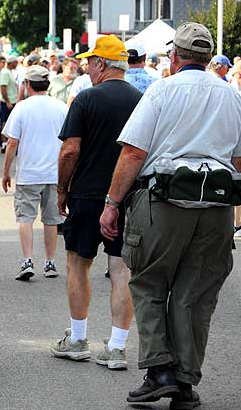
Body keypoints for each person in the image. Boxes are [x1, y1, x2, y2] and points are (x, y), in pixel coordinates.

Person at [99, 22, 241, 408]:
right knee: (196, 293)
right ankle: (185, 380)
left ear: (175, 56)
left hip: (163, 201)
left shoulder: (163, 90)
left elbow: (133, 152)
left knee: (148, 281)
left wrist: (112, 204)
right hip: (215, 207)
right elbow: (239, 159)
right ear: (209, 58)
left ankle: (159, 370)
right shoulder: (230, 95)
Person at [51, 35, 141, 369]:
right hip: (128, 196)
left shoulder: (86, 98)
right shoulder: (142, 99)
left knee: (78, 264)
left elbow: (70, 149)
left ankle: (77, 338)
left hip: (88, 195)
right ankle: (117, 347)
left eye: (90, 62)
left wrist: (62, 189)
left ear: (101, 64)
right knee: (122, 270)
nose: (86, 67)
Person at [1, 65, 67, 280]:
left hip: (28, 173)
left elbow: (12, 142)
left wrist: (6, 172)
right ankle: (50, 262)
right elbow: (69, 142)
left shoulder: (21, 108)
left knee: (26, 218)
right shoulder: (61, 107)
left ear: (27, 84)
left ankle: (27, 260)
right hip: (55, 173)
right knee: (51, 219)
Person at [0, 55, 18, 152]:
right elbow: (3, 87)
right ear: (11, 63)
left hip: (12, 100)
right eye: (15, 62)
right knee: (5, 122)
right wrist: (7, 101)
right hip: (8, 101)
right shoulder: (5, 73)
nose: (17, 64)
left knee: (9, 122)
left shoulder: (10, 72)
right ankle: (4, 143)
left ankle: (7, 142)